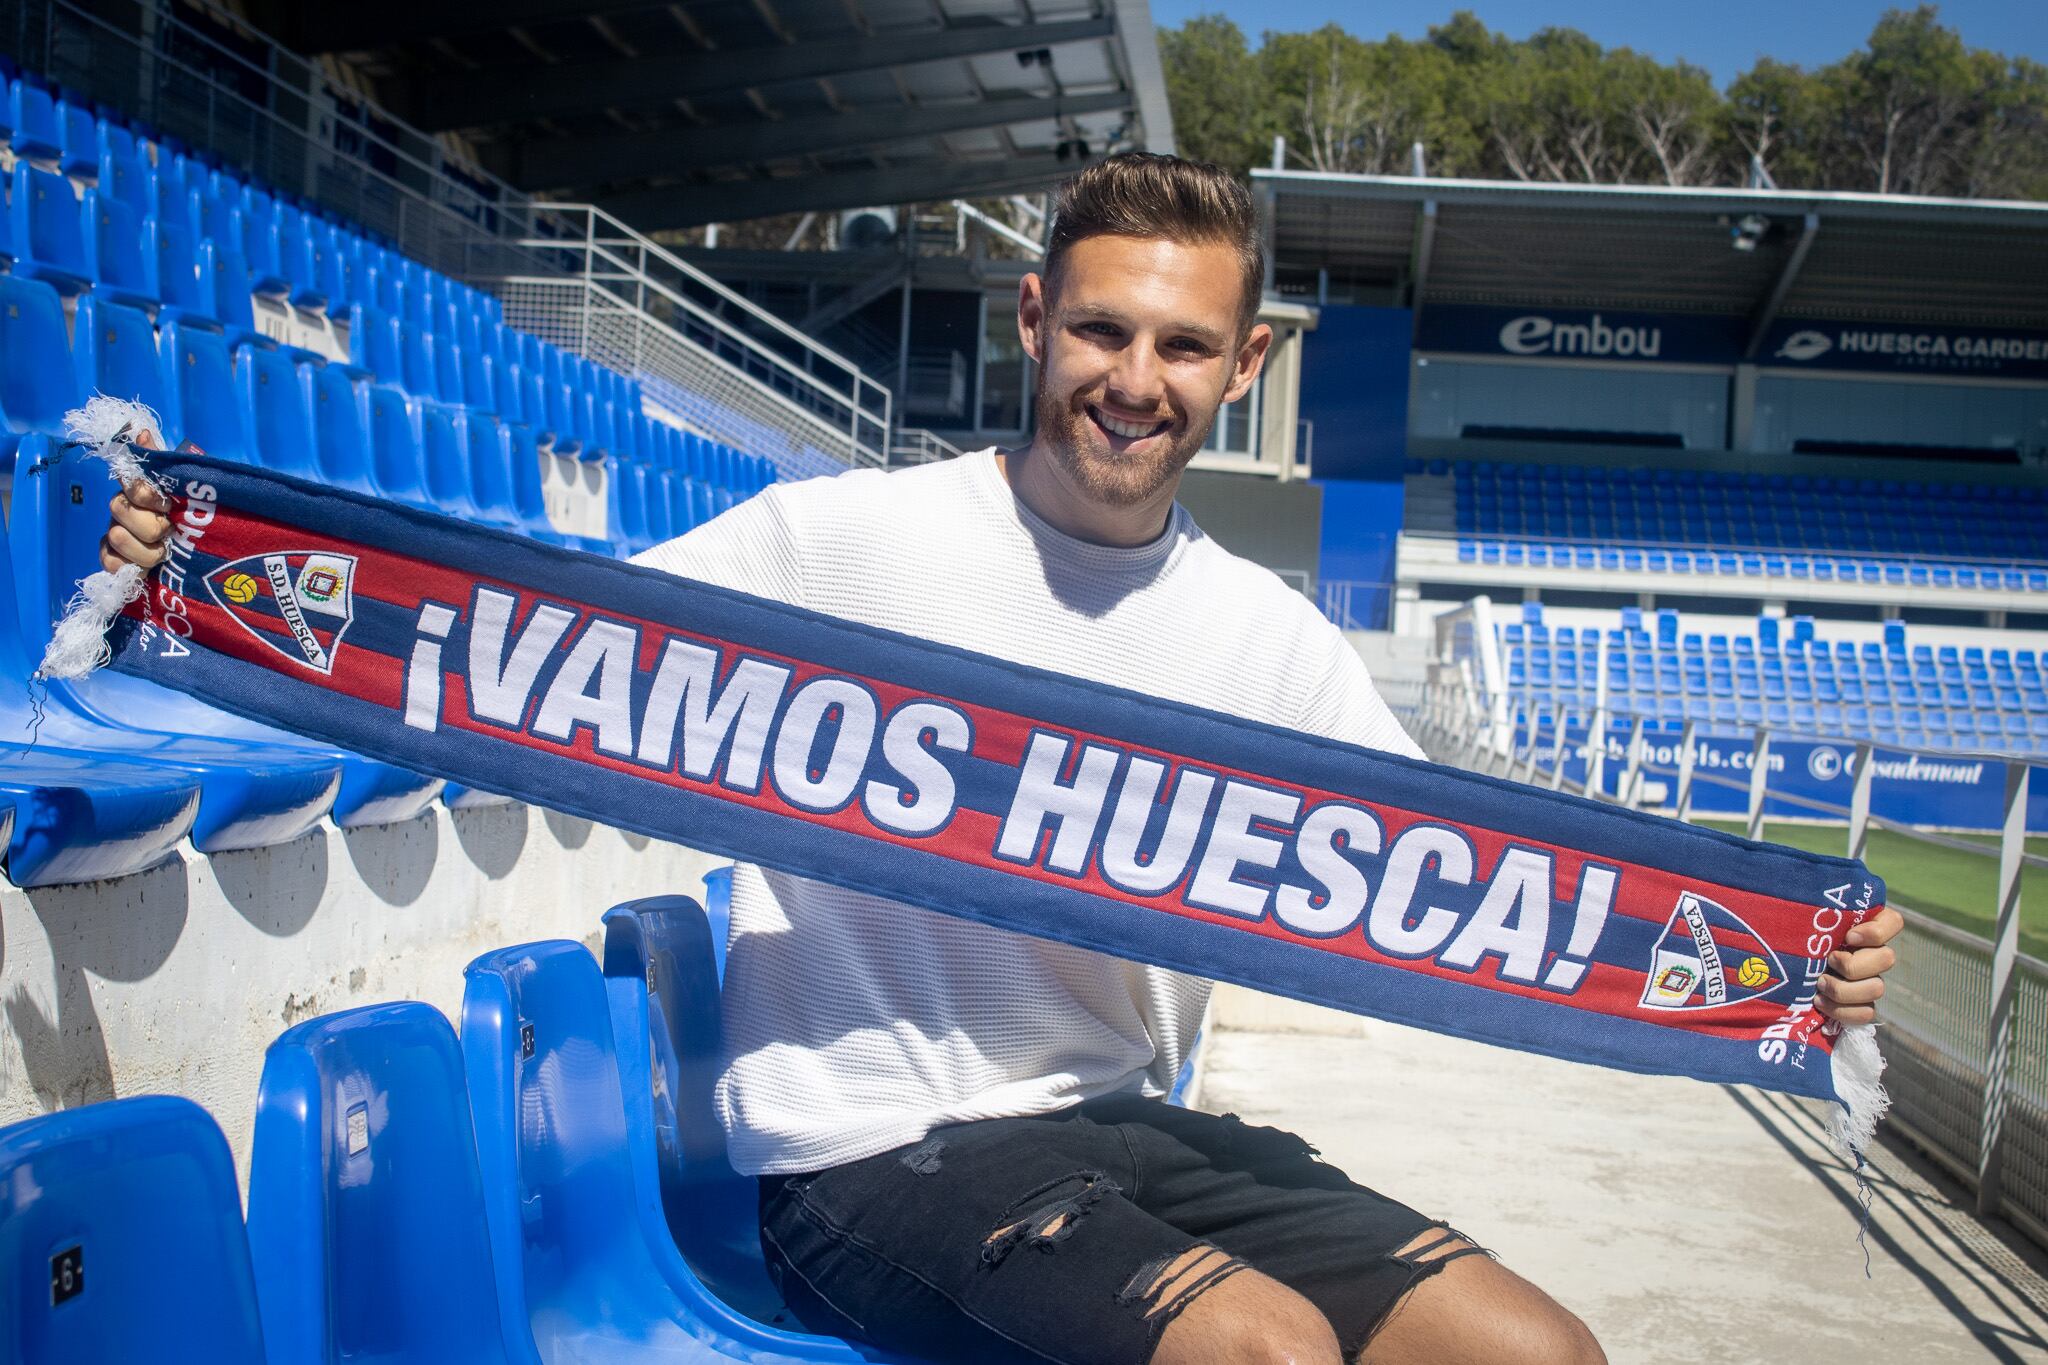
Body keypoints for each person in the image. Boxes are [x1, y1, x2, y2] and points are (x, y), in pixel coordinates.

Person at [102, 153, 1902, 1365]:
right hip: (868, 1151)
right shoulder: (834, 543)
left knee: (1542, 1353)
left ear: (1242, 364)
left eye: (1185, 345)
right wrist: (203, 578)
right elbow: (526, 649)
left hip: (1120, 1124)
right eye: (1104, 328)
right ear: (1035, 323)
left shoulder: (1263, 636)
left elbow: (1478, 876)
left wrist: (1772, 954)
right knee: (1260, 1349)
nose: (1137, 375)